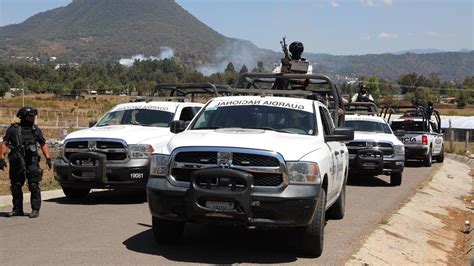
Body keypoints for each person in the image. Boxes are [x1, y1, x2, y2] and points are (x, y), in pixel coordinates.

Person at [0, 106, 51, 218]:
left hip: (31, 161)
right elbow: (5, 143)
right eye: (30, 116)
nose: (33, 118)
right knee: (15, 186)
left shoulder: (35, 129)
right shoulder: (13, 129)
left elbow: (43, 143)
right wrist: (1, 158)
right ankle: (17, 209)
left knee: (33, 185)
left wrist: (48, 158)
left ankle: (35, 209)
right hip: (16, 161)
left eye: (33, 116)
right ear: (23, 117)